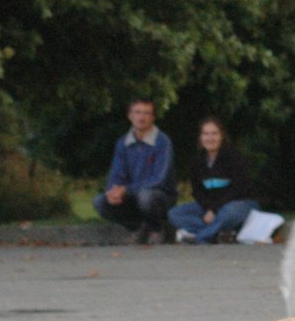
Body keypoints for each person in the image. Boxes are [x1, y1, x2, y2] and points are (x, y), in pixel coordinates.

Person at [169, 118, 274, 243]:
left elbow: (238, 189)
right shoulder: (197, 161)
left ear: (222, 136)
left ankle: (200, 237)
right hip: (210, 206)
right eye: (206, 134)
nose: (210, 138)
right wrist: (209, 208)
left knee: (228, 212)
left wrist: (214, 210)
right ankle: (217, 234)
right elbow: (197, 192)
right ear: (201, 138)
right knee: (175, 214)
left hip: (240, 203)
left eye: (214, 133)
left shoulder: (234, 156)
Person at [93, 98, 176, 245]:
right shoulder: (123, 143)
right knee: (100, 201)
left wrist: (126, 190)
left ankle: (158, 228)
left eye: (146, 113)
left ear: (153, 117)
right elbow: (116, 174)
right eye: (137, 112)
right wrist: (113, 191)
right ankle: (139, 228)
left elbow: (159, 179)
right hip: (132, 196)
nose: (141, 117)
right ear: (130, 115)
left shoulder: (162, 141)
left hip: (159, 196)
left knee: (145, 196)